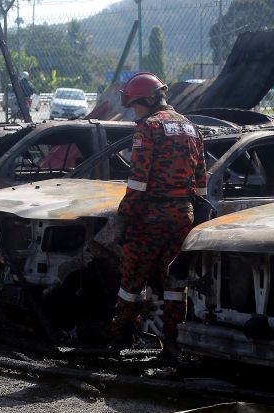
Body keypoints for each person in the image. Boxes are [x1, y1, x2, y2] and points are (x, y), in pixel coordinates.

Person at [109, 72, 206, 352]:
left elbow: (138, 181)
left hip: (150, 216)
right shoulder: (190, 126)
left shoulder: (148, 127)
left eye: (135, 106)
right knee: (174, 283)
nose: (134, 113)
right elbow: (201, 183)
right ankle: (173, 346)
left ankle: (119, 341)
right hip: (182, 217)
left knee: (131, 280)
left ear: (149, 100)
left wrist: (124, 218)